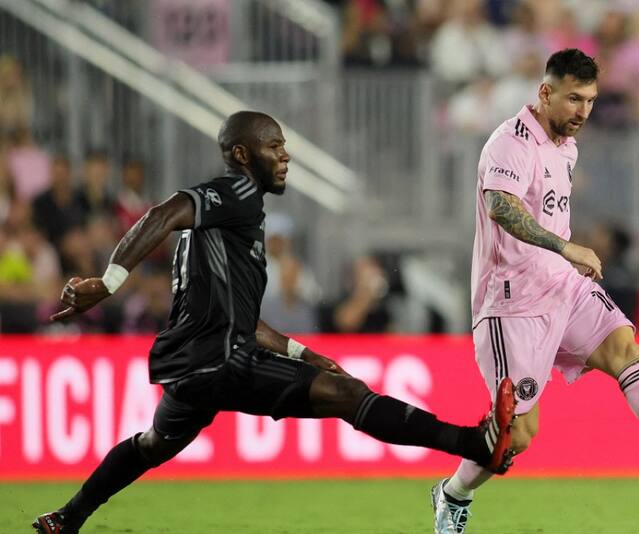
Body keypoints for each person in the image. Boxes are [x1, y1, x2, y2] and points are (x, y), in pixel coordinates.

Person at [33, 111, 516, 534]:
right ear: (242, 154)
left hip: (187, 371)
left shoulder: (227, 228)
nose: (285, 155)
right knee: (347, 396)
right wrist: (109, 280)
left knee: (153, 444)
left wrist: (304, 354)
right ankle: (473, 442)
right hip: (219, 360)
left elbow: (246, 321)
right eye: (274, 145)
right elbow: (164, 211)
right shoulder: (236, 191)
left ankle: (67, 518)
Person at [431, 49, 639, 534]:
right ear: (544, 92)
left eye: (590, 101)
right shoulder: (510, 142)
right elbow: (502, 208)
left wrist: (563, 260)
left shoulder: (567, 147)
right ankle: (453, 493)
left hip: (563, 288)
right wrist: (565, 247)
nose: (583, 112)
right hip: (511, 303)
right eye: (573, 99)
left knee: (624, 349)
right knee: (517, 437)